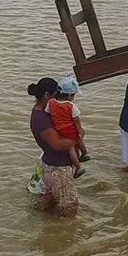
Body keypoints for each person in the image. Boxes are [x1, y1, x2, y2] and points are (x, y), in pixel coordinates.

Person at [28, 77, 80, 216]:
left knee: (49, 204)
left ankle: (50, 230)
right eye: (55, 95)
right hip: (58, 168)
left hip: (50, 164)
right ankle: (57, 234)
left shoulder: (45, 111)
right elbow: (57, 145)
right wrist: (78, 137)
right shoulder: (41, 119)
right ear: (47, 95)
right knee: (69, 207)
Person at [46, 77, 90, 178]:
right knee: (78, 140)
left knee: (70, 149)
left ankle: (79, 165)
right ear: (70, 96)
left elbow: (47, 113)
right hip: (71, 130)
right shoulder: (71, 106)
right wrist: (80, 131)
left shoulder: (51, 102)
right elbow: (76, 121)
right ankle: (83, 158)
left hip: (60, 131)